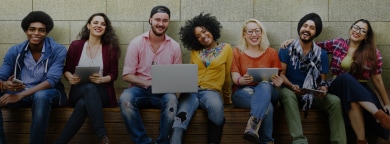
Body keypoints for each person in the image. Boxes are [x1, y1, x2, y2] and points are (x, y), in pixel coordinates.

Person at [277, 13, 346, 144]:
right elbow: (281, 74)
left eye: (312, 28)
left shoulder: (321, 54)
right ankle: (299, 140)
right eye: (305, 26)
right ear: (300, 28)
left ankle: (339, 141)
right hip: (291, 90)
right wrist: (292, 86)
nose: (307, 29)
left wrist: (323, 88)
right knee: (286, 94)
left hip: (311, 94)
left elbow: (322, 80)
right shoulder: (286, 49)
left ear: (315, 33)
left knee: (335, 101)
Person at [0, 11, 67, 144]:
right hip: (20, 92)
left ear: (46, 32)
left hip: (48, 94)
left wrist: (21, 95)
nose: (36, 33)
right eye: (32, 29)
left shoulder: (58, 50)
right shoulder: (15, 51)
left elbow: (51, 81)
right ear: (26, 31)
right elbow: (2, 76)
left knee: (40, 96)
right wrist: (5, 85)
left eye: (41, 30)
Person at [119, 5, 182, 144]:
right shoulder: (136, 43)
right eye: (157, 20)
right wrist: (147, 83)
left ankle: (162, 142)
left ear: (168, 23)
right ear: (150, 20)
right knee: (125, 99)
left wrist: (169, 83)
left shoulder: (175, 46)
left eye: (165, 20)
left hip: (163, 92)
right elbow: (127, 75)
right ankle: (143, 142)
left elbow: (177, 77)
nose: (161, 24)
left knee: (172, 101)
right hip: (139, 89)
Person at [54, 13, 120, 144]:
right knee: (87, 90)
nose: (99, 26)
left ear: (106, 28)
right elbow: (66, 69)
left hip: (102, 92)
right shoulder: (76, 45)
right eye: (95, 22)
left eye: (103, 24)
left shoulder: (110, 48)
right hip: (78, 90)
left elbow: (114, 74)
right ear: (88, 25)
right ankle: (102, 135)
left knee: (83, 103)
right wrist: (70, 78)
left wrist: (102, 79)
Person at [170, 13, 232, 144]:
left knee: (217, 108)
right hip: (191, 91)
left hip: (211, 91)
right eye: (198, 36)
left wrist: (227, 98)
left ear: (211, 29)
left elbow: (227, 75)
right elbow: (190, 73)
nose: (203, 36)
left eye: (204, 32)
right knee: (180, 118)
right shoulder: (195, 51)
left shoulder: (226, 48)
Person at [230, 19, 283, 144]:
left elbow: (277, 76)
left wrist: (278, 82)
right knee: (267, 107)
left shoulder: (271, 52)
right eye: (250, 31)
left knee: (264, 84)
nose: (254, 35)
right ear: (244, 34)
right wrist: (241, 80)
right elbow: (235, 76)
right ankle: (267, 141)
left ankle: (252, 126)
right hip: (244, 92)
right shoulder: (237, 52)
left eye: (257, 31)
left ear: (262, 33)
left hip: (269, 91)